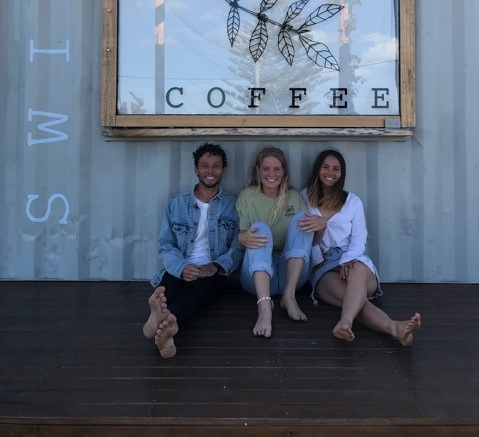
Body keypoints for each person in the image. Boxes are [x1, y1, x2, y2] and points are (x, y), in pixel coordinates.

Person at [299, 148, 422, 345]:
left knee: (355, 277)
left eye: (336, 169)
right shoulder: (304, 197)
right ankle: (395, 328)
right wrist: (316, 261)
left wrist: (348, 258)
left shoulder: (352, 201)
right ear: (317, 169)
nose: (330, 172)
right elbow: (302, 237)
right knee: (355, 301)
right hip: (323, 267)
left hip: (353, 259)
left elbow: (359, 238)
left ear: (342, 174)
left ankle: (345, 322)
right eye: (325, 167)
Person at [143, 142, 243, 358]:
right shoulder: (176, 204)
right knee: (169, 284)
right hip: (181, 264)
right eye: (204, 165)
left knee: (196, 292)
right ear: (196, 169)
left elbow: (238, 245)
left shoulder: (234, 205)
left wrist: (216, 266)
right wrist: (182, 267)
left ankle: (165, 321)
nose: (210, 171)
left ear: (223, 170)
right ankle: (166, 324)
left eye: (216, 166)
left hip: (213, 271)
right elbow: (165, 244)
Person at [237, 146, 313, 338]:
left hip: (290, 275)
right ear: (258, 171)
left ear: (284, 171)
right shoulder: (248, 196)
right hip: (257, 277)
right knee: (260, 228)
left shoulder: (294, 197)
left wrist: (322, 225)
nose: (271, 174)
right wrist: (241, 237)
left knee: (303, 218)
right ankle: (264, 307)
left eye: (277, 168)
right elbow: (239, 241)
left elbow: (307, 241)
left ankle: (289, 297)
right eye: (266, 168)